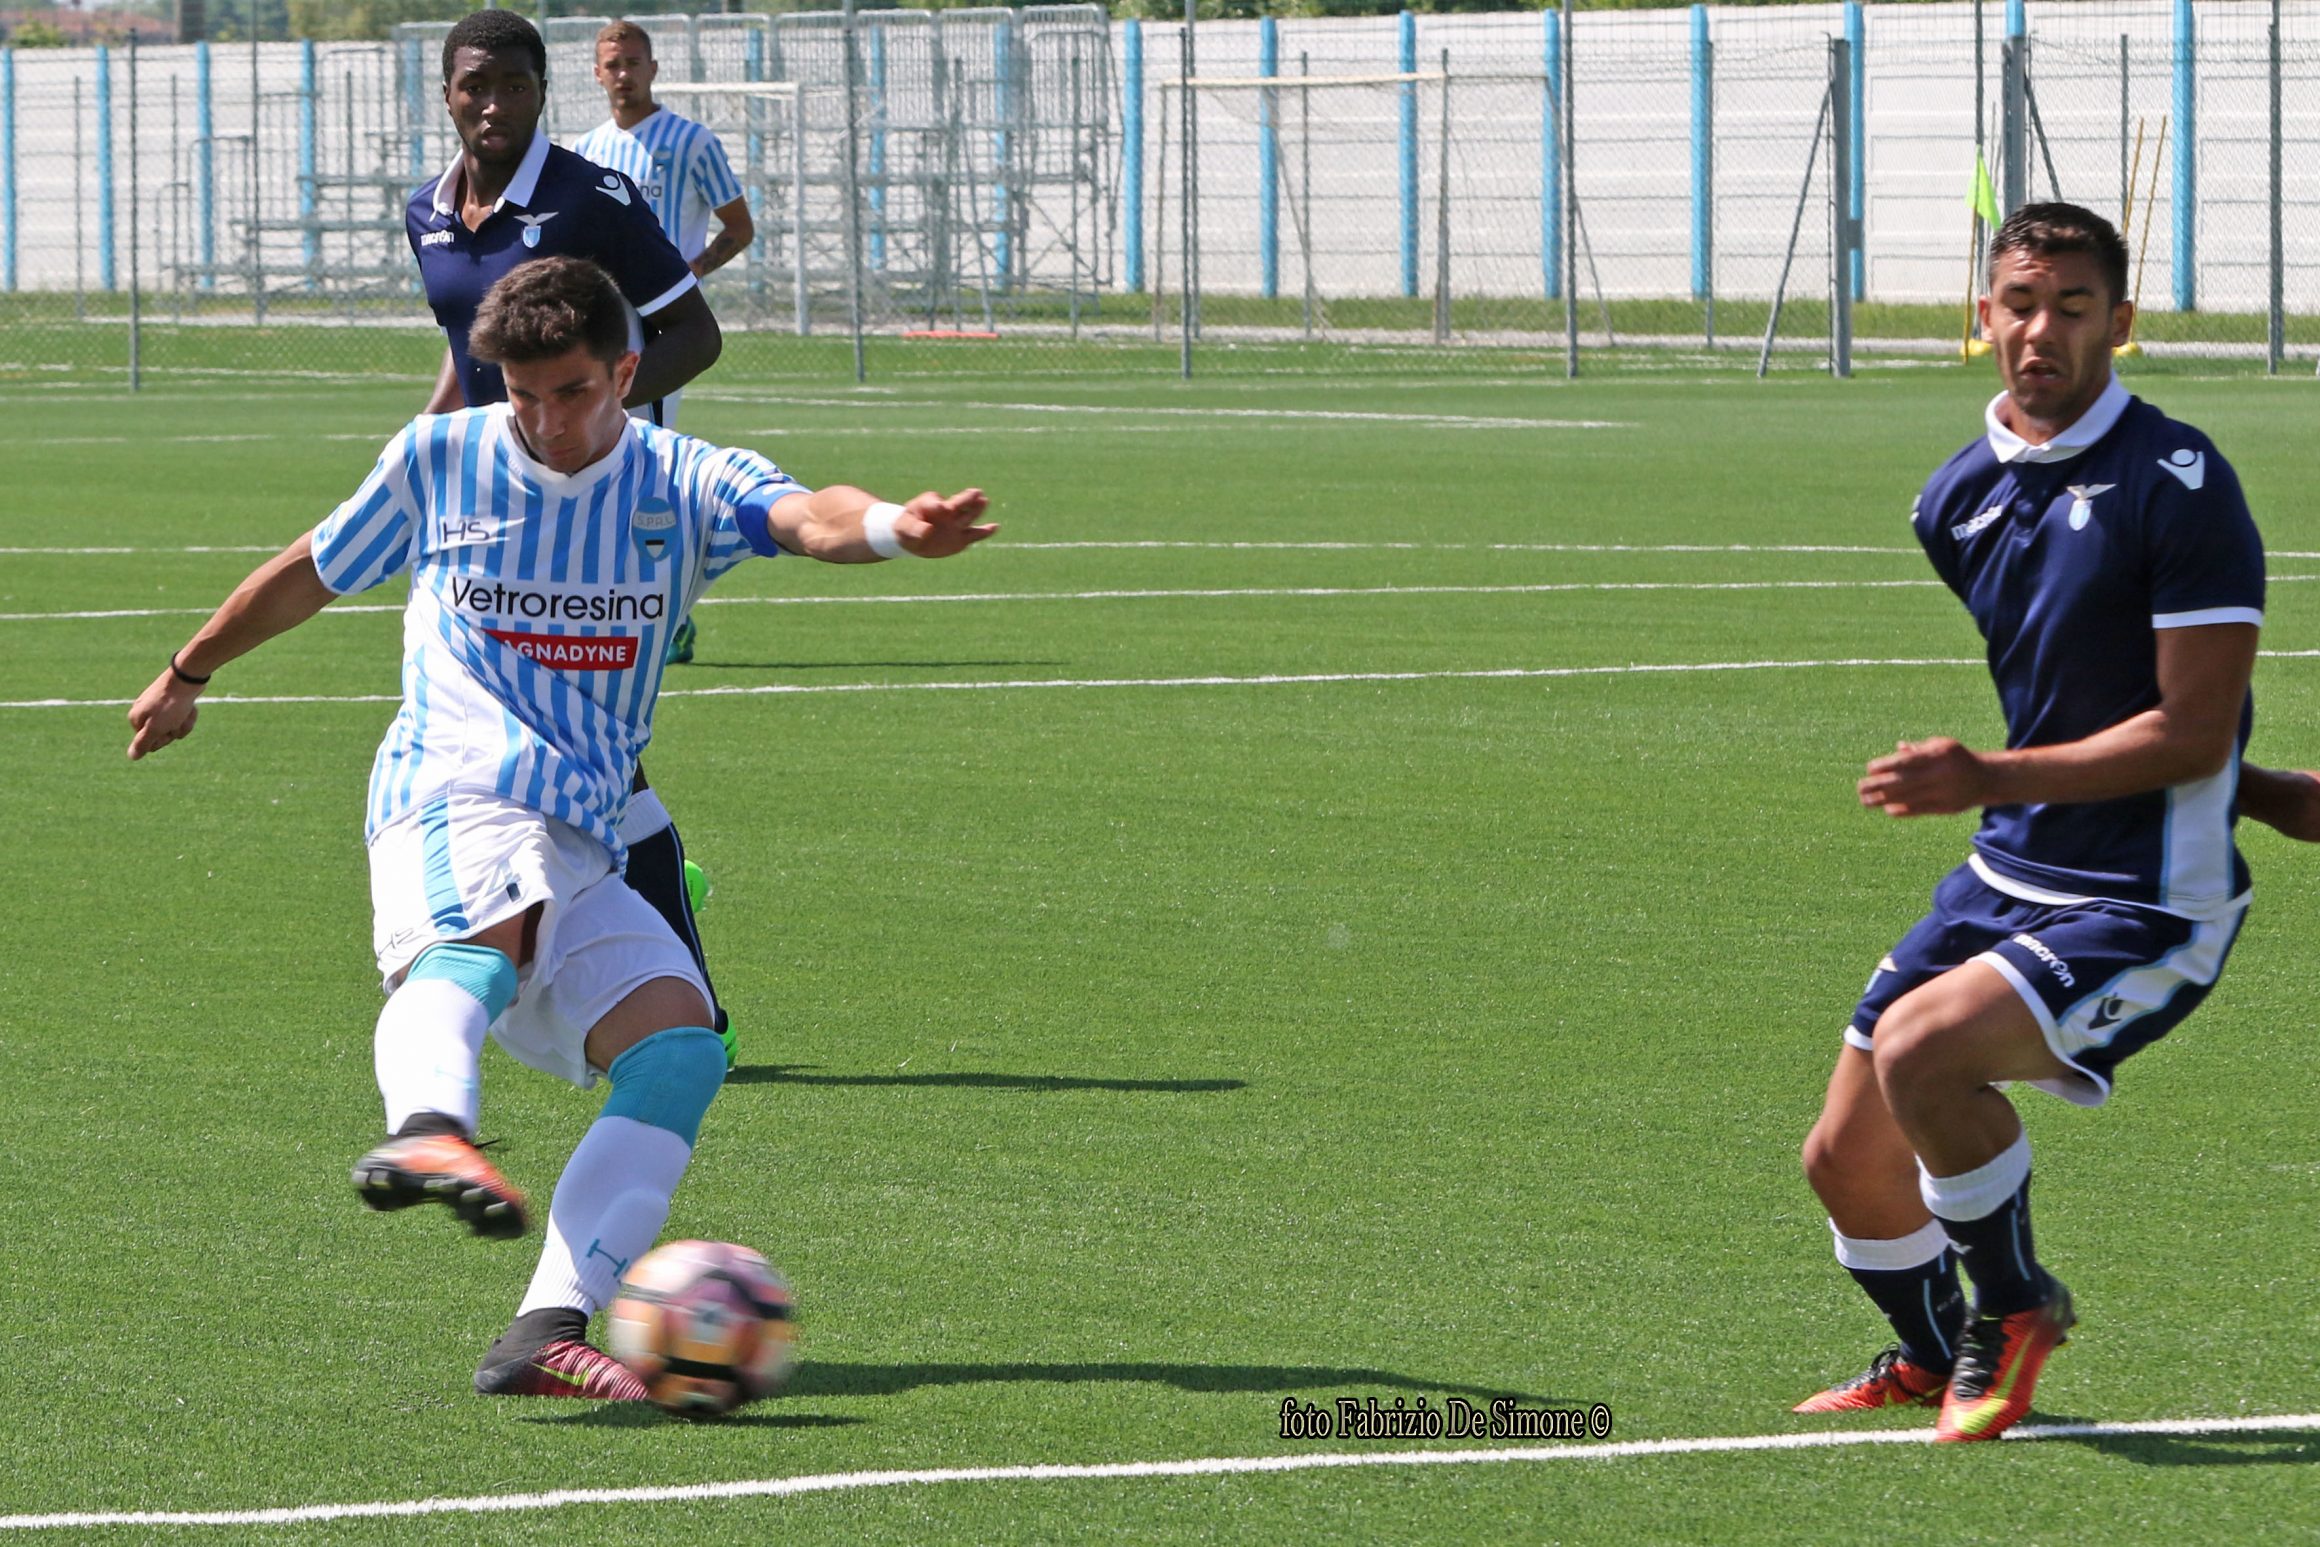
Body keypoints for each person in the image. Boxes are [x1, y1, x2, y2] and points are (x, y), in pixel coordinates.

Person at [125, 257, 996, 1398]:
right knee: (492, 929)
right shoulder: (441, 458)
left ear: (625, 372)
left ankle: (546, 1320)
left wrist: (889, 527)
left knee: (681, 1046)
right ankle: (428, 1121)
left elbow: (805, 514)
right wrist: (191, 668)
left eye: (572, 390)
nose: (545, 418)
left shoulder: (681, 478)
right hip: (457, 784)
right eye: (522, 392)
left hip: (584, 826)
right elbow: (310, 570)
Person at [1794, 203, 2263, 1443]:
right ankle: (1927, 1345)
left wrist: (1988, 774)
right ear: (1981, 315)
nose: (2038, 329)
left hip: (2152, 893)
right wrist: (2273, 786)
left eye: (2069, 306)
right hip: (2010, 870)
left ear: (2121, 322)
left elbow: (2192, 728)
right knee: (1842, 1157)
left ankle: (2012, 1303)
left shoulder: (2181, 484)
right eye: (2017, 303)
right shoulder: (1951, 500)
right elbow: (2093, 687)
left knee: (1922, 1050)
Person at [412, 8, 732, 1066]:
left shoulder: (591, 199)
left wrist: (588, 435)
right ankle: (662, 972)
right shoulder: (428, 214)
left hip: (593, 507)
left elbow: (694, 329)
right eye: (473, 85)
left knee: (593, 741)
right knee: (575, 749)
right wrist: (426, 453)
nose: (491, 103)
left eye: (512, 83)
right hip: (481, 513)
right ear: (447, 91)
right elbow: (473, 359)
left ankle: (649, 968)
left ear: (544, 91)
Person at [573, 17, 760, 669]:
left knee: (647, 465)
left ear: (653, 69)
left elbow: (739, 225)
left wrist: (690, 274)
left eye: (634, 62)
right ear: (596, 74)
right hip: (601, 321)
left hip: (659, 327)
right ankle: (622, 602)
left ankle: (671, 612)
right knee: (599, 459)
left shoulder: (689, 141)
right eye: (612, 64)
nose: (623, 73)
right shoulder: (586, 148)